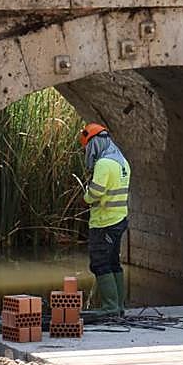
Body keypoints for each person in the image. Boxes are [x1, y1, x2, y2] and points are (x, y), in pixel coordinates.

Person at [80, 122, 130, 316]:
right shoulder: (122, 162)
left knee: (100, 263)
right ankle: (119, 307)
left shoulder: (103, 164)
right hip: (119, 220)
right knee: (113, 263)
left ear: (95, 143)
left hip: (104, 223)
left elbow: (96, 193)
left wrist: (85, 198)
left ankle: (110, 308)